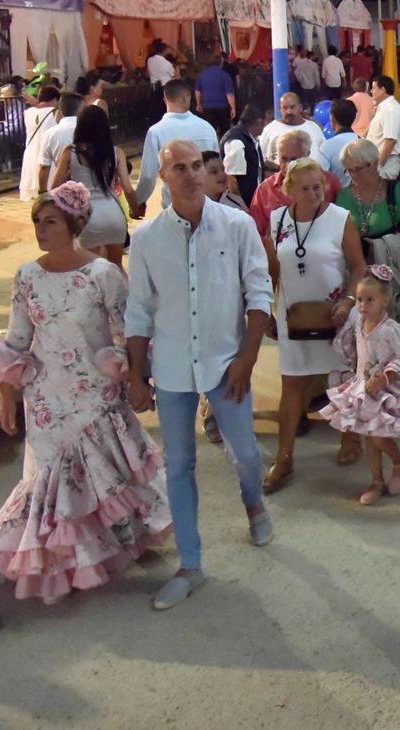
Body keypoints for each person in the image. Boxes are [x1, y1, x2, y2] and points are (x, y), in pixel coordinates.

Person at [0, 182, 171, 603]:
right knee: (49, 480)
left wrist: (134, 378)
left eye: (51, 222)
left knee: (106, 475)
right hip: (44, 397)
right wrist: (7, 396)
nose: (41, 229)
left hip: (95, 392)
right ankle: (62, 564)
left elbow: (127, 332)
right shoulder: (27, 275)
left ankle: (114, 545)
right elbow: (17, 342)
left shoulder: (103, 275)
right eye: (37, 222)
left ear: (74, 226)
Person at [124, 140, 275, 611]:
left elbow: (259, 292)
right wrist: (135, 375)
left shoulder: (236, 225)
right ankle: (190, 565)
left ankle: (253, 501)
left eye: (196, 166)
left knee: (246, 453)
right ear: (163, 177)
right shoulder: (147, 239)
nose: (190, 174)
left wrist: (248, 357)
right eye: (179, 168)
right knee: (178, 465)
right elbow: (138, 311)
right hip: (171, 367)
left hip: (226, 363)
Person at [261, 157, 367, 493]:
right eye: (305, 188)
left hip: (336, 316)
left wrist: (348, 301)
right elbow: (271, 270)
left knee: (344, 382)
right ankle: (284, 457)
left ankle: (350, 437)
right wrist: (266, 309)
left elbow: (358, 265)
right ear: (288, 190)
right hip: (293, 318)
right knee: (292, 385)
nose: (312, 194)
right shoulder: (277, 220)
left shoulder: (339, 218)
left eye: (317, 187)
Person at [320, 268, 400, 505]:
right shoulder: (358, 324)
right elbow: (354, 349)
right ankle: (377, 481)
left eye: (370, 300)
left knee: (378, 438)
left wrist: (384, 378)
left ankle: (399, 462)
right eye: (360, 299)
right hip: (363, 387)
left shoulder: (390, 329)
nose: (363, 305)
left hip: (385, 390)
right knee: (369, 436)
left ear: (385, 301)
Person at [334, 138, 400, 314]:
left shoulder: (396, 191)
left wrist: (380, 247)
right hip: (354, 278)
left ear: (375, 163)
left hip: (388, 277)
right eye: (349, 170)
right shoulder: (343, 197)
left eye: (358, 169)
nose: (354, 175)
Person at [51, 105, 140, 268]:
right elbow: (128, 189)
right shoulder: (116, 152)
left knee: (90, 270)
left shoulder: (70, 152)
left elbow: (54, 188)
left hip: (86, 217)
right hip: (114, 215)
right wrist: (135, 209)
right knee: (116, 267)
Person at [133, 80, 220, 212]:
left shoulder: (156, 131)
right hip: (207, 203)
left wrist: (139, 201)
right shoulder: (207, 127)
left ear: (165, 100)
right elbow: (216, 166)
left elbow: (148, 176)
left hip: (174, 205)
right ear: (187, 98)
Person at [250, 130, 343, 241]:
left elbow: (341, 222)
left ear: (307, 155)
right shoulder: (265, 190)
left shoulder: (328, 181)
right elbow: (255, 234)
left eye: (294, 159)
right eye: (283, 159)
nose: (288, 165)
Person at [259, 91, 327, 168]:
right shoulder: (270, 129)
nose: (289, 111)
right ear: (280, 109)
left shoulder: (314, 127)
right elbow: (261, 158)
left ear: (300, 108)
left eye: (292, 107)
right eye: (285, 108)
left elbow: (324, 153)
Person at [18, 84, 61, 201]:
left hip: (31, 153)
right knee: (51, 190)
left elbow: (39, 109)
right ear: (54, 99)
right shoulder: (56, 113)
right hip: (48, 154)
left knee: (35, 193)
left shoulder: (27, 112)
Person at [221, 103, 267, 208]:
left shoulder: (250, 138)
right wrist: (242, 208)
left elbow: (255, 163)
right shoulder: (237, 142)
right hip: (242, 206)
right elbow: (231, 179)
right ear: (259, 122)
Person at [365, 74, 400, 181]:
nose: (371, 91)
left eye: (374, 88)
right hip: (378, 161)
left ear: (383, 90)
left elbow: (390, 140)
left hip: (386, 163)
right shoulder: (384, 108)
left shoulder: (390, 110)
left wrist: (378, 166)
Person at [38, 93, 83, 195]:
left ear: (61, 111)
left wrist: (42, 192)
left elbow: (44, 167)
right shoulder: (89, 129)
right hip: (87, 186)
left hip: (61, 187)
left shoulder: (49, 134)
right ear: (80, 109)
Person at [317, 97, 360, 183]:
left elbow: (319, 177)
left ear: (332, 119)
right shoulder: (363, 142)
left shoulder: (327, 146)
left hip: (337, 191)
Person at [194, 54, 237, 135]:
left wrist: (199, 104)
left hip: (207, 106)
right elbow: (229, 93)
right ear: (221, 63)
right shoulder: (225, 75)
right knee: (224, 130)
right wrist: (233, 108)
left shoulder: (203, 74)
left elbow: (197, 90)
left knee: (210, 130)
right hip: (223, 106)